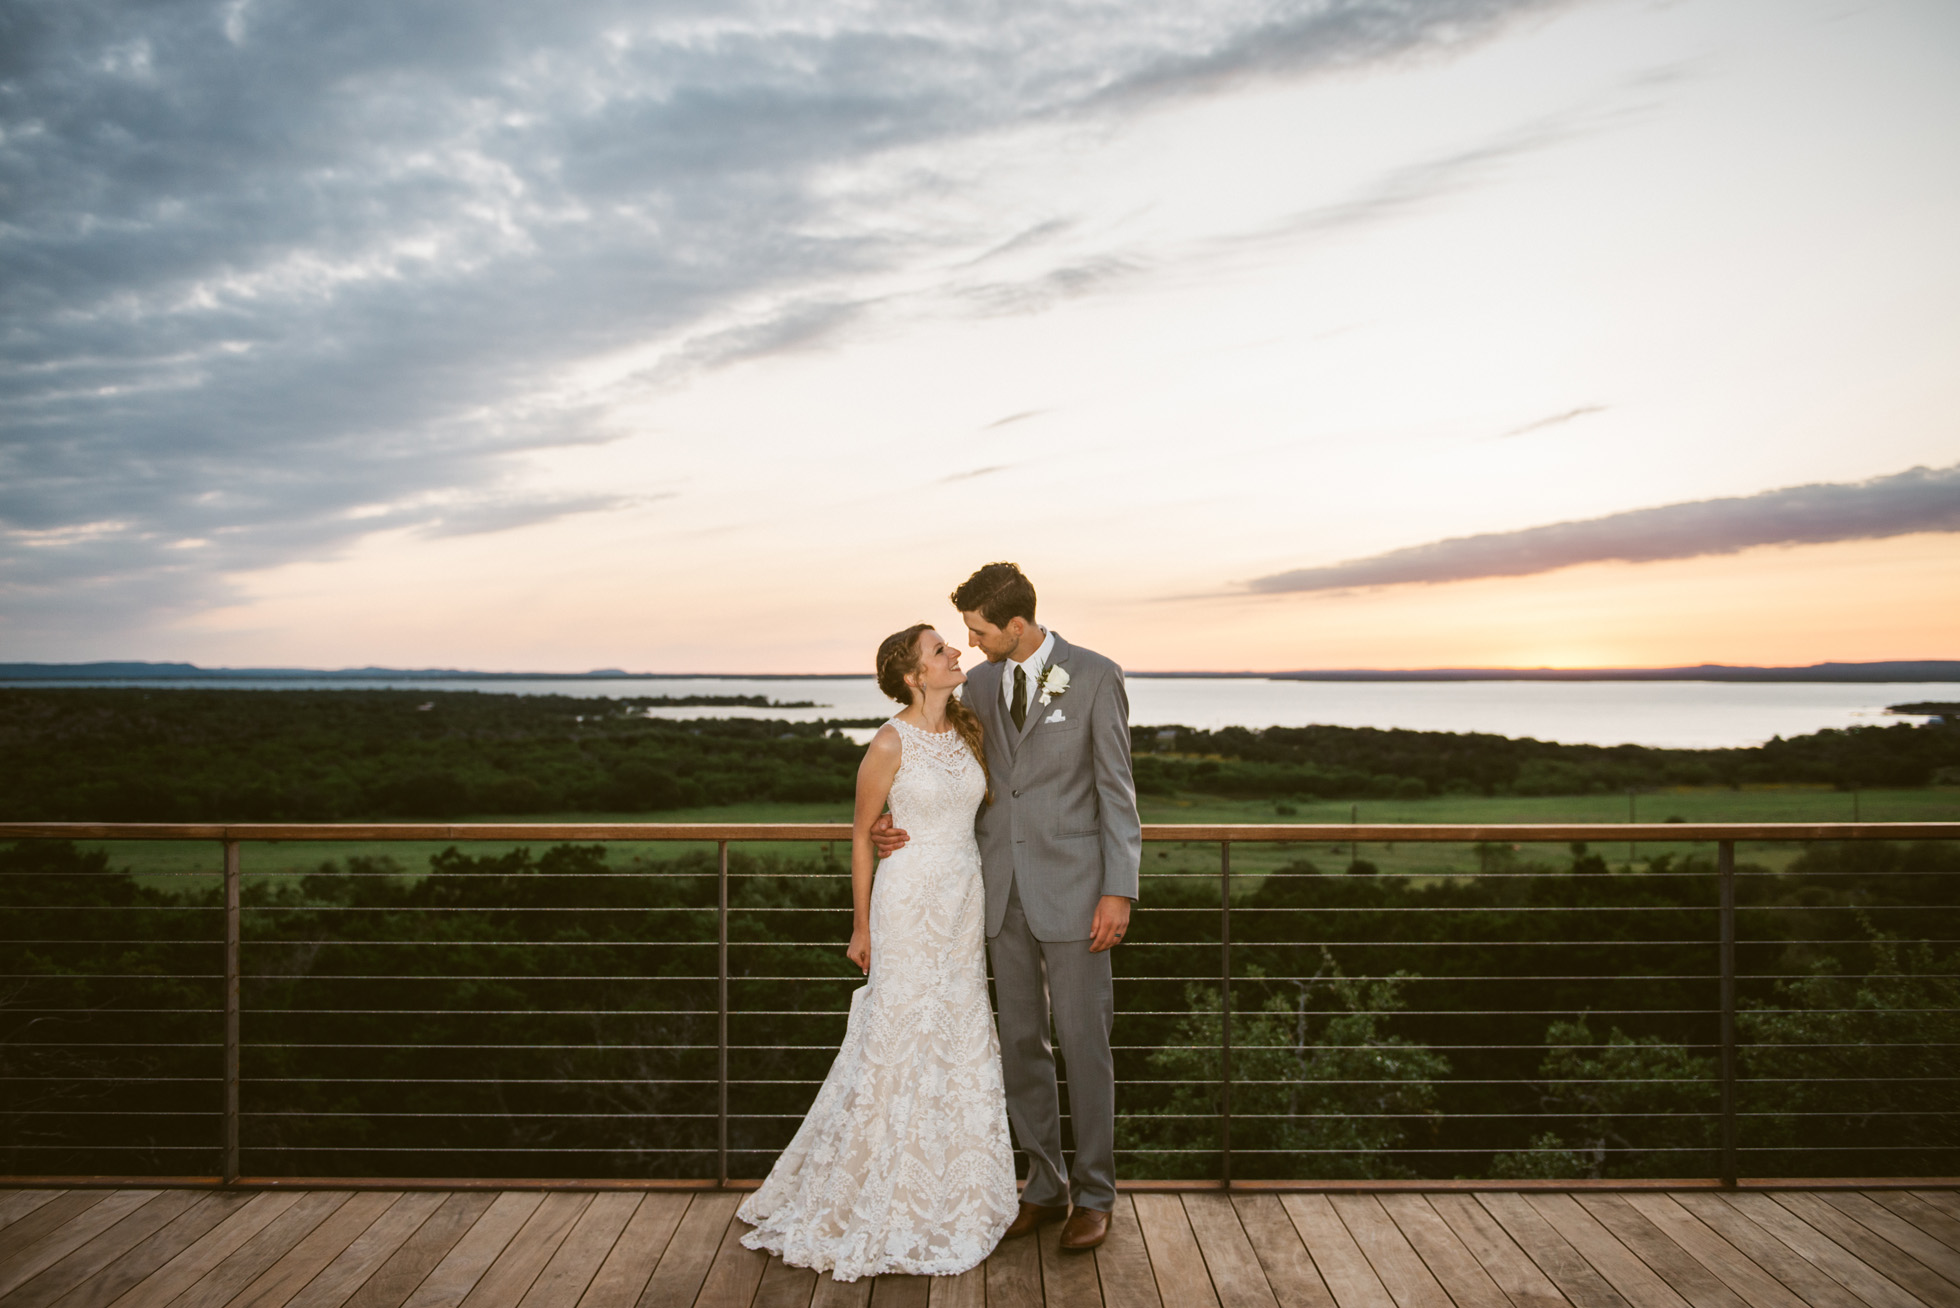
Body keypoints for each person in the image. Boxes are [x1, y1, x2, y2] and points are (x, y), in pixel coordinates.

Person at [737, 624, 1017, 1281]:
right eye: (941, 651)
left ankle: (954, 1192)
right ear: (915, 676)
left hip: (962, 895)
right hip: (907, 899)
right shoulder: (890, 741)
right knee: (896, 1034)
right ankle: (867, 1194)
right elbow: (864, 834)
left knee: (958, 1034)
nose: (956, 655)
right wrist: (861, 926)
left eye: (953, 646)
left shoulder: (971, 725)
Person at [874, 562, 1140, 1253]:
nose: (970, 643)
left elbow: (1118, 792)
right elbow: (939, 763)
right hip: (995, 897)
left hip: (1081, 897)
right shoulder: (980, 685)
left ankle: (1095, 1195)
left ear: (1015, 626)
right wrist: (888, 822)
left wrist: (1119, 890)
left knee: (1086, 1047)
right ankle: (1043, 1186)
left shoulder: (1096, 675)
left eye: (979, 630)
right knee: (1021, 1047)